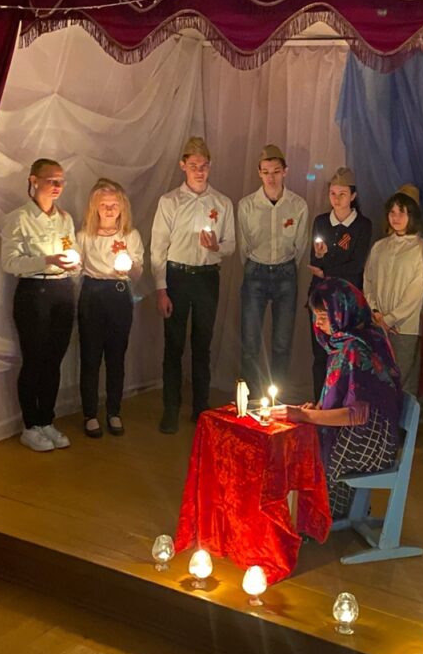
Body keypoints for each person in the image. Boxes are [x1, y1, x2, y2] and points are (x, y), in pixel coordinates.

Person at [283, 279, 403, 518]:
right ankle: (307, 516)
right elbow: (337, 394)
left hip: (370, 441)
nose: (317, 323)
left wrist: (307, 415)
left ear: (343, 311)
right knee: (297, 436)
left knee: (298, 448)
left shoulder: (357, 349)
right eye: (315, 316)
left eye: (323, 316)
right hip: (356, 433)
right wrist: (316, 409)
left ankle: (308, 519)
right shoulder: (342, 343)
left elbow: (356, 416)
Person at [151, 136, 235, 433]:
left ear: (210, 166)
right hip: (178, 277)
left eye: (204, 166)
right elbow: (158, 248)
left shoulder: (222, 203)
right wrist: (161, 289)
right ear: (183, 166)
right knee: (174, 345)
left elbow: (231, 244)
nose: (200, 171)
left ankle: (201, 407)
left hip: (207, 278)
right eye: (194, 165)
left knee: (203, 345)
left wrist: (216, 247)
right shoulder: (170, 202)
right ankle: (170, 409)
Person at [0, 158, 79, 452]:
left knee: (54, 359)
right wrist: (46, 260)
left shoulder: (65, 219)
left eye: (61, 181)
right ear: (34, 181)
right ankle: (30, 425)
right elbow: (9, 262)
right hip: (34, 291)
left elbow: (70, 249)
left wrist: (73, 263)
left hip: (62, 290)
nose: (57, 186)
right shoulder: (18, 218)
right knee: (34, 358)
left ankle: (46, 419)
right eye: (51, 180)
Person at [237, 144, 308, 396]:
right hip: (255, 272)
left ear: (285, 171)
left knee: (281, 344)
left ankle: (276, 398)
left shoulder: (298, 205)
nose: (271, 177)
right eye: (266, 172)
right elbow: (244, 245)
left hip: (285, 273)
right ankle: (251, 399)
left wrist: (285, 267)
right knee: (250, 343)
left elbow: (300, 246)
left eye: (276, 171)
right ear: (259, 172)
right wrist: (256, 266)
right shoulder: (247, 205)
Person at [76, 179, 144, 439]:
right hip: (92, 296)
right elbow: (76, 268)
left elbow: (138, 272)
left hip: (119, 295)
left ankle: (114, 410)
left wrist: (129, 267)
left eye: (114, 205)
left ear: (122, 207)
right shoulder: (84, 236)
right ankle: (90, 414)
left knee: (116, 356)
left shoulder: (130, 236)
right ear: (95, 207)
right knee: (90, 356)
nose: (109, 209)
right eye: (103, 205)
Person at [307, 167, 373, 399]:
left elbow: (356, 265)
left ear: (353, 195)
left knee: (346, 355)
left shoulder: (362, 225)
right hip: (321, 300)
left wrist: (326, 271)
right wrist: (321, 258)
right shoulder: (321, 222)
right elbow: (314, 263)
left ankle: (342, 405)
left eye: (342, 194)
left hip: (347, 301)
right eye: (333, 193)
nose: (337, 199)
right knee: (320, 354)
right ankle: (320, 403)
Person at [363, 184, 423, 396]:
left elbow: (416, 292)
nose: (396, 217)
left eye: (402, 212)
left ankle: (403, 419)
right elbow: (368, 280)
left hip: (404, 327)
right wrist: (375, 312)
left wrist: (390, 319)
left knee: (402, 381)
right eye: (392, 212)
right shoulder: (380, 246)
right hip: (377, 323)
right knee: (377, 377)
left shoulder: (421, 248)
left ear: (412, 215)